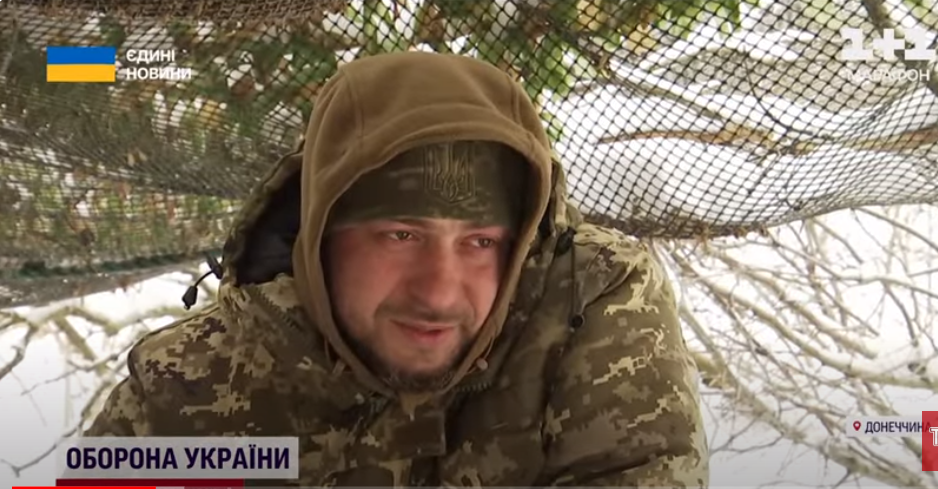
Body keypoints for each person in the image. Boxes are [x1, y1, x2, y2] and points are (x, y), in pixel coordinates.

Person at [84, 51, 709, 487]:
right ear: (320, 237)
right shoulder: (187, 381)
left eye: (481, 242)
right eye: (401, 235)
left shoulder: (588, 303)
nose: (439, 292)